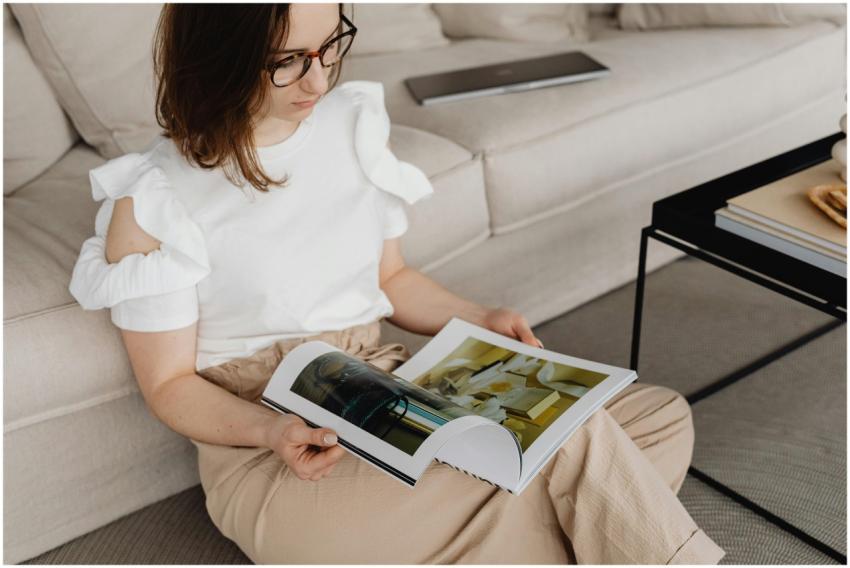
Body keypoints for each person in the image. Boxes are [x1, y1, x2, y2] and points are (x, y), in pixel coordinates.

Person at [68, 3, 725, 564]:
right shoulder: (153, 199)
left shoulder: (350, 127)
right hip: (284, 455)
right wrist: (273, 434)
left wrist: (479, 315)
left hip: (393, 394)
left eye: (330, 46)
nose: (318, 76)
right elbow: (169, 386)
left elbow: (392, 278)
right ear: (221, 57)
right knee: (579, 448)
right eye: (287, 60)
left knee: (660, 421)